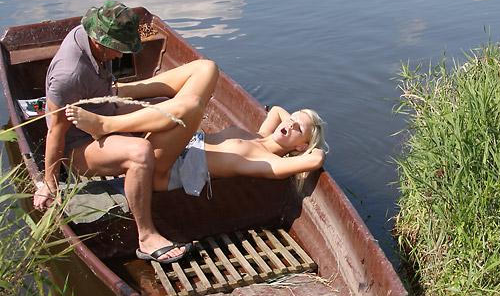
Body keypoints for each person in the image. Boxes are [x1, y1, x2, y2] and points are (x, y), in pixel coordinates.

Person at [33, 0, 219, 266]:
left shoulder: (87, 34)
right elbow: (56, 132)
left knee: (206, 68)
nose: (121, 56)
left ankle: (125, 118)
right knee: (141, 151)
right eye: (118, 49)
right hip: (81, 148)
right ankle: (147, 237)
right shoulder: (69, 76)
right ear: (99, 41)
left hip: (107, 106)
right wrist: (49, 183)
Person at [65, 103, 328, 199]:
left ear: (301, 146)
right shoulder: (258, 136)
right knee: (163, 107)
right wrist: (293, 120)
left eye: (297, 129)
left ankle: (102, 126)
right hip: (174, 151)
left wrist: (310, 147)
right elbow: (279, 109)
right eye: (291, 120)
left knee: (185, 110)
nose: (289, 124)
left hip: (167, 172)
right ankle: (99, 123)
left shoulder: (270, 163)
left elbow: (317, 158)